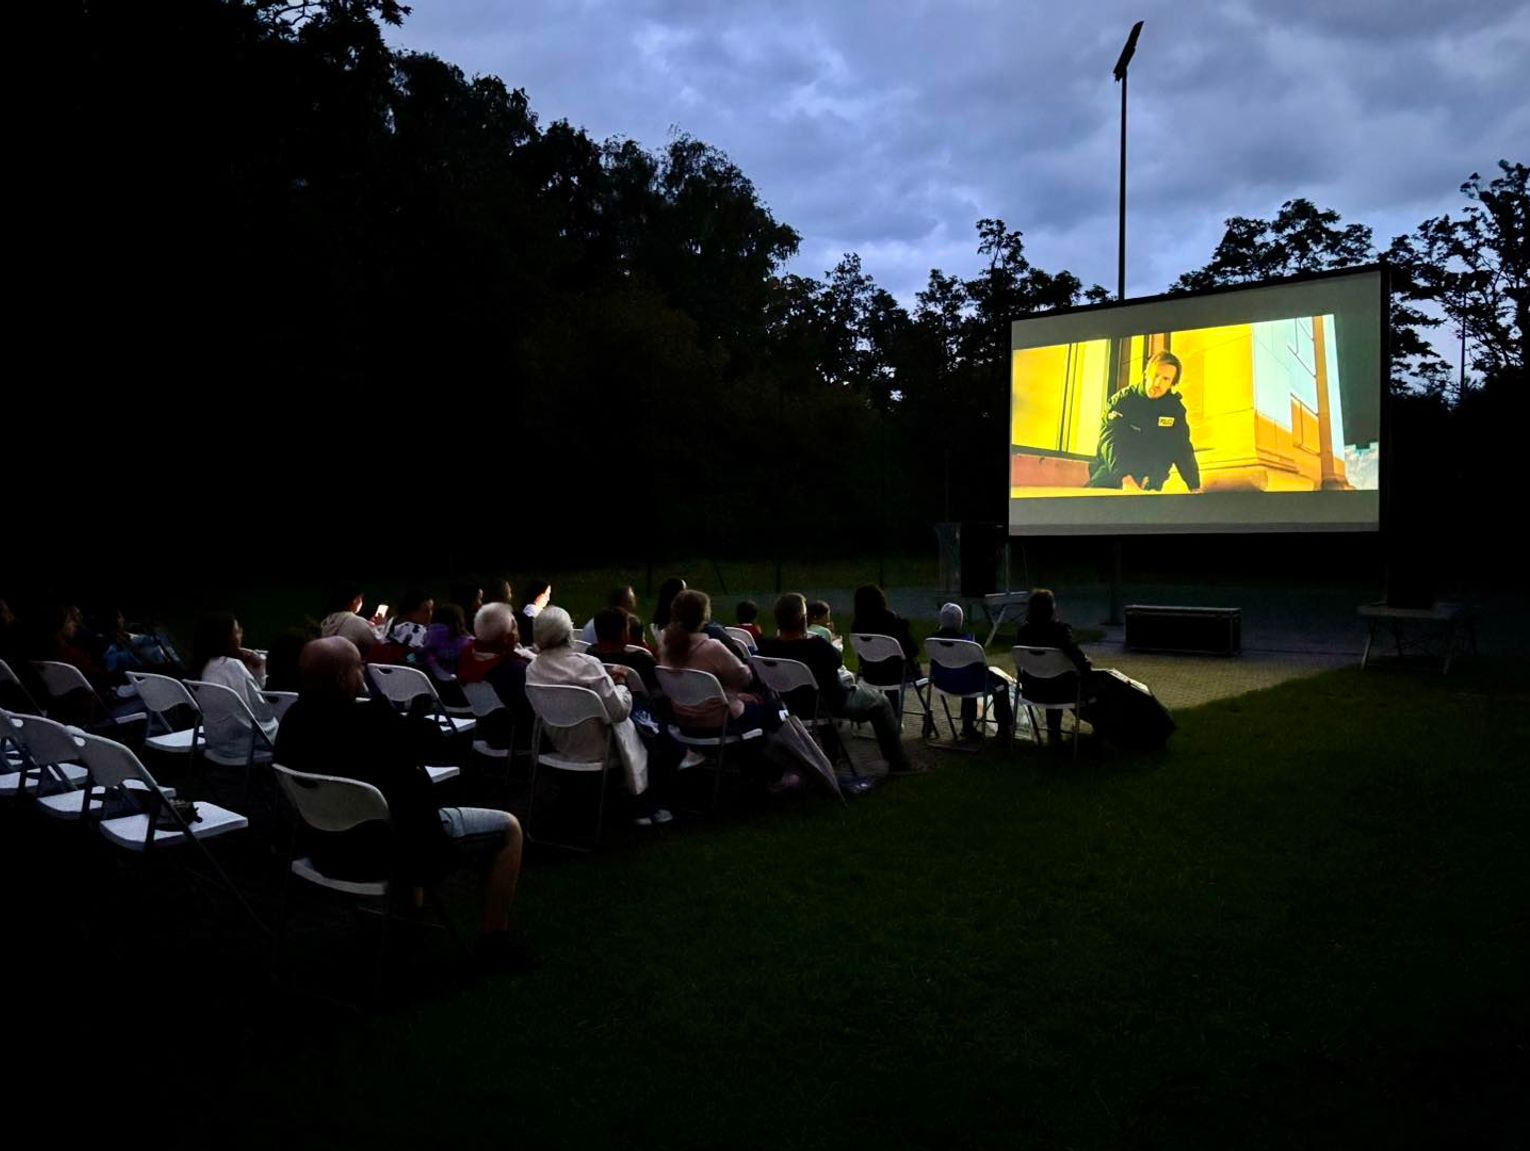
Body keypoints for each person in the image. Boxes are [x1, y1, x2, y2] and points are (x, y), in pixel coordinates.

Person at [274, 637, 528, 966]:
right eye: (358, 668)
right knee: (509, 829)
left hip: (325, 849)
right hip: (390, 852)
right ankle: (495, 940)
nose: (363, 674)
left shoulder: (292, 723)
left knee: (397, 809)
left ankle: (409, 925)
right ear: (342, 678)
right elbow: (434, 745)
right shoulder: (372, 723)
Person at [525, 606, 666, 825]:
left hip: (559, 742)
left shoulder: (533, 669)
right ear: (567, 633)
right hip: (600, 745)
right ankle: (645, 803)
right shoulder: (587, 666)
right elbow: (619, 712)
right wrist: (620, 684)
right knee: (644, 725)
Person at [758, 594, 919, 774]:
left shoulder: (767, 647)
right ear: (803, 619)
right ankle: (899, 763)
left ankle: (832, 756)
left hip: (793, 705)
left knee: (819, 697)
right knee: (881, 703)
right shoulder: (816, 646)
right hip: (834, 702)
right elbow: (836, 660)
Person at [1086, 350, 1201, 492]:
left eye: (1166, 379)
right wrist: (1125, 478)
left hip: (1151, 475)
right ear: (1146, 373)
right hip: (1115, 470)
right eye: (1156, 375)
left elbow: (1182, 447)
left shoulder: (1174, 410)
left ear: (1172, 383)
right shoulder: (1122, 401)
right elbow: (1110, 441)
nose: (1158, 383)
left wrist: (1194, 486)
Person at [189, 611, 280, 754]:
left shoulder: (201, 666)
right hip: (248, 742)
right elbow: (263, 712)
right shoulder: (232, 666)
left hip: (217, 741)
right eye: (237, 632)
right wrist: (260, 671)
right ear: (226, 638)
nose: (241, 635)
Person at [1013, 589, 1093, 751]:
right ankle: (1097, 728)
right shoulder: (1060, 631)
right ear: (1051, 608)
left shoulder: (1023, 633)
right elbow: (1078, 659)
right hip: (1061, 691)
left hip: (1032, 689)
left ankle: (1054, 734)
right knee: (1082, 681)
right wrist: (1086, 665)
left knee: (1051, 676)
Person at [930, 603, 1015, 743]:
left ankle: (967, 725)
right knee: (1001, 684)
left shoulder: (933, 641)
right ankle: (1004, 728)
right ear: (959, 621)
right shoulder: (967, 642)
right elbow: (979, 666)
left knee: (965, 674)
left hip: (942, 682)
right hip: (966, 684)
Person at [319, 584, 384, 654]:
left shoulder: (328, 621)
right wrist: (380, 626)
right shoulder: (356, 622)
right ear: (355, 600)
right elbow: (380, 643)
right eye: (361, 598)